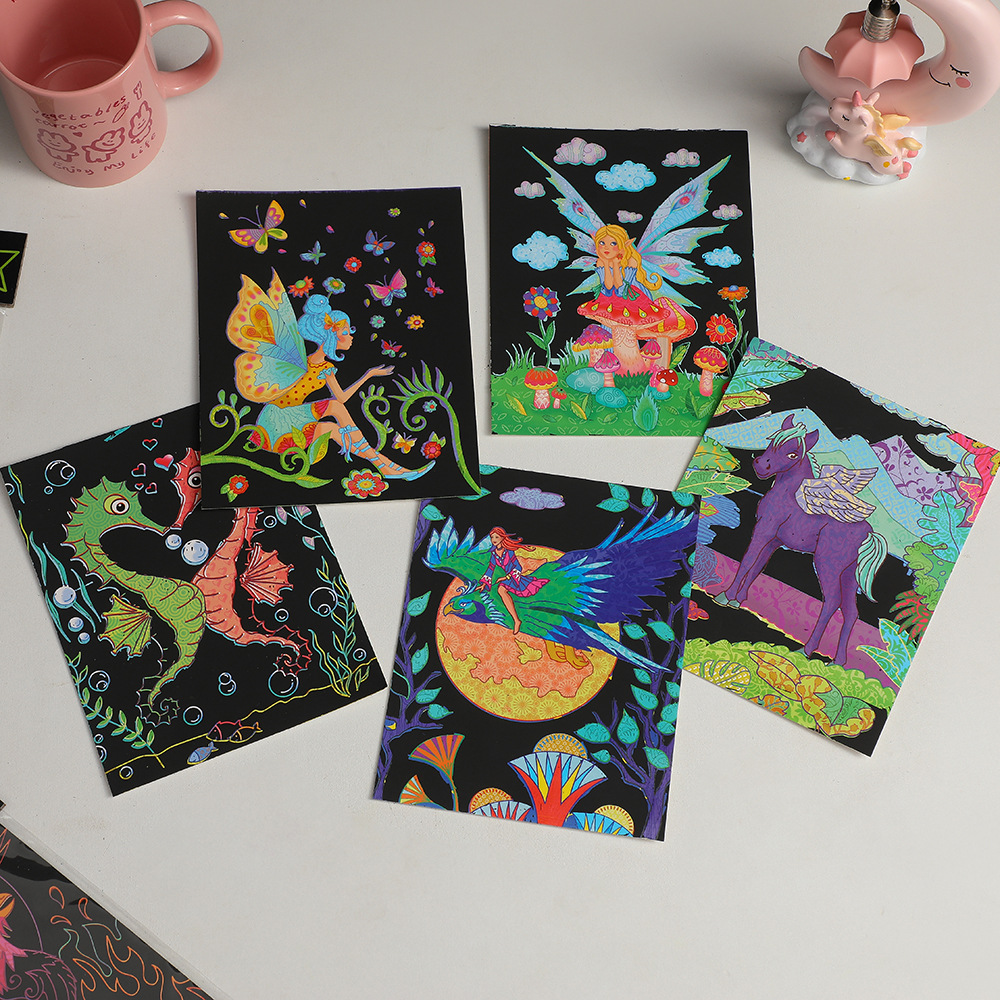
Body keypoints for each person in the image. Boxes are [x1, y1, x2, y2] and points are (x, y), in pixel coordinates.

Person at [249, 293, 431, 480]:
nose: (350, 337)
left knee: (332, 430)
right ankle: (389, 467)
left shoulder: (325, 367)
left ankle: (388, 468)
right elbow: (339, 401)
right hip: (276, 420)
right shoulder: (302, 362)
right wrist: (368, 375)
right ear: (330, 337)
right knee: (334, 406)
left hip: (290, 424)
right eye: (345, 333)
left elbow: (341, 397)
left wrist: (368, 375)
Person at [476, 527, 548, 633]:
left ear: (502, 538)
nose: (494, 539)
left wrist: (506, 577)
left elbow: (518, 567)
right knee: (501, 589)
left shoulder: (509, 552)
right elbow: (490, 568)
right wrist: (484, 583)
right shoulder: (494, 554)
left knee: (501, 589)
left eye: (497, 537)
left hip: (515, 577)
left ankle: (516, 620)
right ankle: (516, 620)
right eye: (492, 537)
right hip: (509, 578)